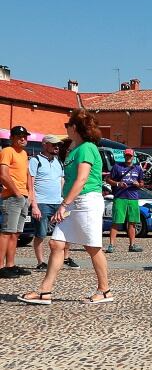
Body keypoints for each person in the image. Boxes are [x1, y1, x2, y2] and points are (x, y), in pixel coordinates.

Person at [19, 109, 111, 305]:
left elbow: (82, 179)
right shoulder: (74, 149)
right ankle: (45, 291)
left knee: (92, 247)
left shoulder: (87, 148)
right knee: (56, 243)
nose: (66, 129)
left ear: (75, 127)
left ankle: (105, 290)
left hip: (86, 202)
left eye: (67, 125)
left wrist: (63, 205)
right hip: (74, 202)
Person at [29, 134, 75, 271]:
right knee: (41, 234)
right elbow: (30, 184)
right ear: (45, 144)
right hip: (42, 203)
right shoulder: (35, 160)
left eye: (58, 145)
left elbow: (61, 181)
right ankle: (41, 262)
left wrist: (64, 200)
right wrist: (34, 205)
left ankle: (66, 258)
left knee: (66, 231)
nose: (57, 147)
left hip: (58, 203)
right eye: (54, 144)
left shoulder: (58, 161)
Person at [0, 125, 34, 278]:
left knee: (16, 233)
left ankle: (10, 265)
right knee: (7, 232)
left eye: (25, 136)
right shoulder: (7, 151)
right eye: (19, 136)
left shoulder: (24, 153)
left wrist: (29, 194)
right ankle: (0, 266)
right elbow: (3, 175)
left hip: (23, 197)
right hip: (12, 197)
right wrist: (17, 193)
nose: (23, 138)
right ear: (12, 137)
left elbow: (27, 175)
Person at [104, 149, 144, 253]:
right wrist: (118, 184)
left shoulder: (138, 168)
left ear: (133, 156)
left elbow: (142, 183)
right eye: (126, 155)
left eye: (130, 156)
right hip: (120, 197)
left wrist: (138, 185)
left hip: (133, 198)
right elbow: (107, 179)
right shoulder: (117, 167)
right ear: (124, 156)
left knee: (132, 223)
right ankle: (111, 245)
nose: (128, 157)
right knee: (116, 221)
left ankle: (132, 245)